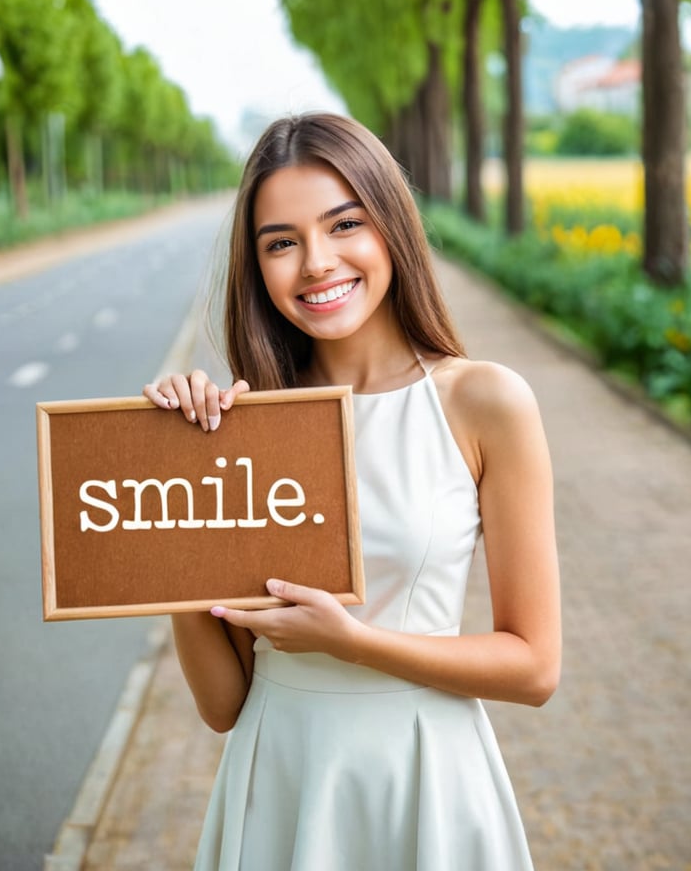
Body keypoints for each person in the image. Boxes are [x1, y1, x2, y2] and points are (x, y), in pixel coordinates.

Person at [143, 111, 561, 871]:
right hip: (280, 776)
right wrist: (178, 495)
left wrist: (354, 642)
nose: (316, 263)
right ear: (256, 264)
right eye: (281, 242)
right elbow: (221, 704)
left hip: (425, 777)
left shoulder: (483, 402)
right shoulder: (245, 429)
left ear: (391, 226)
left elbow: (534, 667)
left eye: (344, 225)